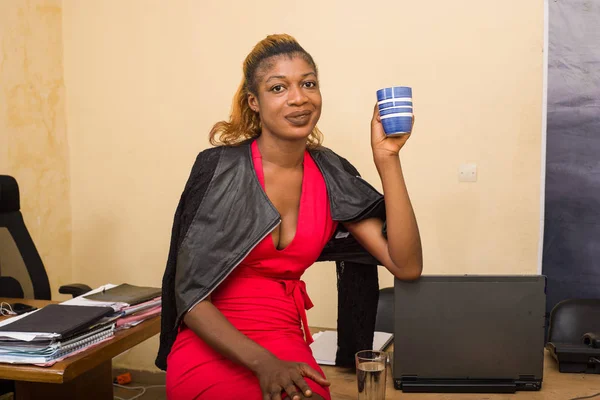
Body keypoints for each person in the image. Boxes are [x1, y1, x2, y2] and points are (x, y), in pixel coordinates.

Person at [156, 33, 423, 400]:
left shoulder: (330, 175)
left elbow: (406, 266)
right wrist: (263, 363)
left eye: (308, 83)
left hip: (283, 336)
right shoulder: (219, 169)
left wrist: (387, 159)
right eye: (278, 88)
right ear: (254, 101)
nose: (299, 98)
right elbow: (190, 298)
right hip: (213, 337)